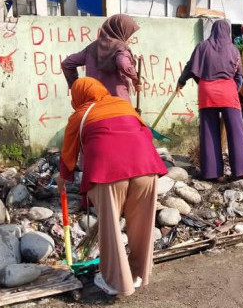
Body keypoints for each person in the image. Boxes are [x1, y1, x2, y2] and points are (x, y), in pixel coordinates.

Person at [57, 77, 167, 296]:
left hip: (109, 173)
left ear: (79, 95)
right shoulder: (124, 104)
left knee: (111, 229)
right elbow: (144, 134)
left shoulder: (80, 115)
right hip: (146, 168)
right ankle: (138, 275)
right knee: (142, 225)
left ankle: (116, 283)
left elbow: (68, 156)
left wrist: (63, 179)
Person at [177, 20, 243, 181]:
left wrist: (181, 82)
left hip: (207, 92)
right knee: (236, 132)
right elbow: (239, 75)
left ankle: (214, 173)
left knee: (209, 132)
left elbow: (191, 67)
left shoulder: (202, 47)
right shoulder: (233, 50)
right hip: (228, 92)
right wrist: (234, 87)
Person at [61, 14, 141, 102]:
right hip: (118, 103)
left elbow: (67, 63)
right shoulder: (121, 47)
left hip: (94, 102)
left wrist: (75, 87)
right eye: (130, 33)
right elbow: (122, 62)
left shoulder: (92, 47)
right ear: (122, 30)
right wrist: (135, 77)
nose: (131, 38)